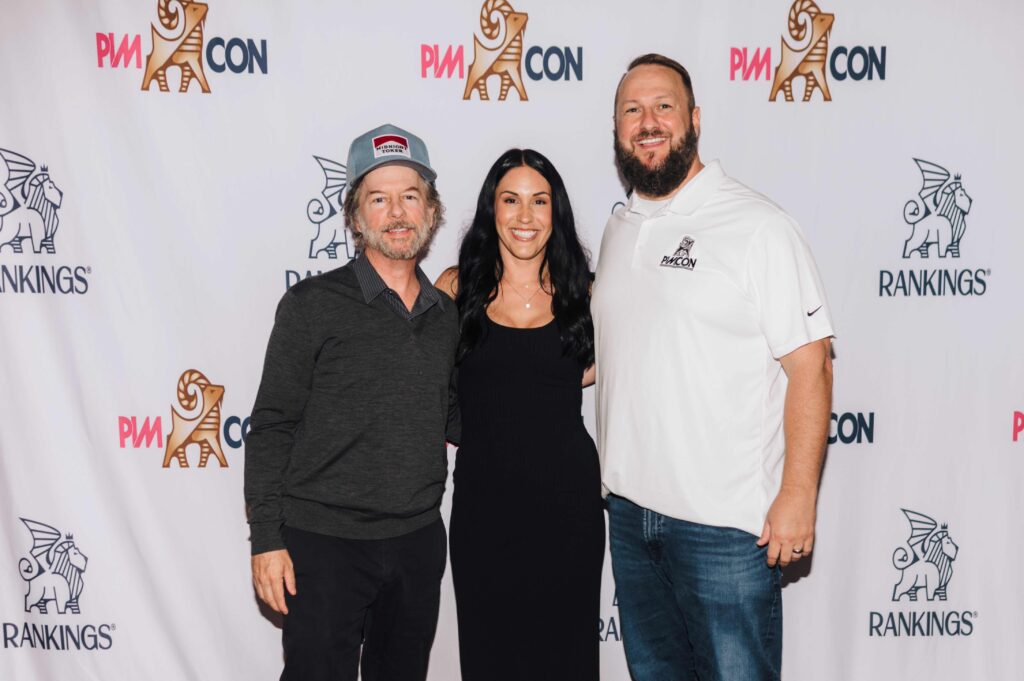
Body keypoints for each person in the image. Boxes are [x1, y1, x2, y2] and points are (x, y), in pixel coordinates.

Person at [592, 54, 835, 680]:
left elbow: (811, 367)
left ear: (694, 120)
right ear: (616, 130)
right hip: (629, 517)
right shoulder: (619, 228)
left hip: (726, 530)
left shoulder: (758, 227)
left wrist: (799, 495)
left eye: (663, 107)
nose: (648, 123)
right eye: (632, 111)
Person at [244, 123, 458, 681]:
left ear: (431, 211)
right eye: (378, 198)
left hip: (417, 542)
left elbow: (463, 416)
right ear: (354, 215)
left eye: (410, 195)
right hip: (323, 546)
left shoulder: (447, 317)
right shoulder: (312, 304)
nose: (396, 213)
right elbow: (271, 426)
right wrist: (267, 539)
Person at [435, 148, 603, 681]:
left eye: (539, 201)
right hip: (484, 511)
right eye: (511, 200)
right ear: (492, 210)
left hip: (568, 508)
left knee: (567, 657)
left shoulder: (589, 295)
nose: (525, 216)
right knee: (489, 656)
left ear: (557, 212)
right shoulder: (455, 289)